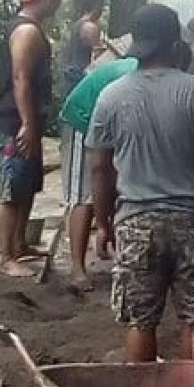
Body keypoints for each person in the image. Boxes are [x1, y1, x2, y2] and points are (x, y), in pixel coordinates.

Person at [87, 4, 194, 363]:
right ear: (175, 44)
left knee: (141, 321)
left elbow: (99, 169)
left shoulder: (111, 97)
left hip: (137, 223)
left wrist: (104, 222)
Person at [0, 0, 60, 278]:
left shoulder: (29, 27)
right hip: (13, 122)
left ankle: (19, 245)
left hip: (24, 119)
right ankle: (6, 257)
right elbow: (21, 79)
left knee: (28, 184)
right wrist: (27, 124)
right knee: (12, 186)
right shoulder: (27, 31)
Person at [59, 52, 138, 288]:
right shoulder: (135, 74)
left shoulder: (150, 72)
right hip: (81, 119)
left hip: (106, 122)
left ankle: (110, 243)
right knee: (84, 194)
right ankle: (77, 268)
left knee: (112, 182)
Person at [65, 0, 107, 91]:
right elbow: (98, 55)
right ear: (96, 7)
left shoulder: (75, 25)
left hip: (71, 73)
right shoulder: (90, 27)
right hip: (82, 75)